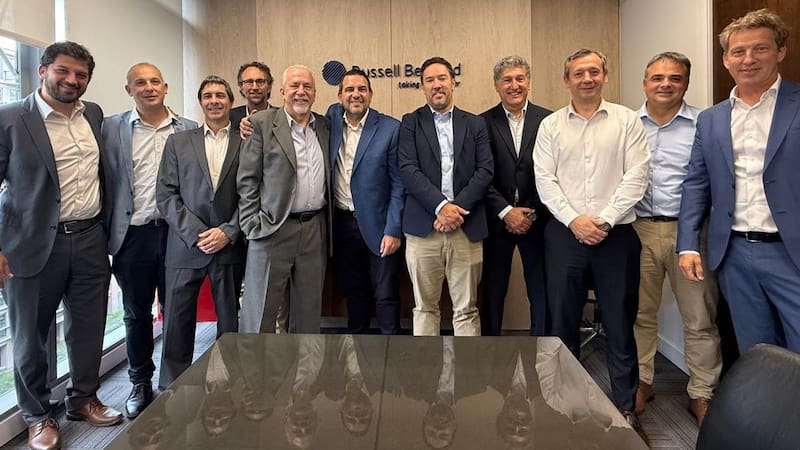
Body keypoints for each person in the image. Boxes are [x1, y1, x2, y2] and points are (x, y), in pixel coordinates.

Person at [0, 41, 123, 450]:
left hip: (89, 239)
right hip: (31, 245)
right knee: (30, 336)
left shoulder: (94, 114)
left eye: (81, 75)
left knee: (88, 326)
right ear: (43, 70)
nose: (72, 80)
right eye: (63, 71)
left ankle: (83, 399)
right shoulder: (10, 118)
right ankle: (37, 416)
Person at [532, 49, 650, 438]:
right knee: (563, 321)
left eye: (594, 71)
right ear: (566, 79)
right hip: (565, 235)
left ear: (605, 76)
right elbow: (544, 180)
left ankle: (625, 406)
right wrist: (575, 220)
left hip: (616, 236)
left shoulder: (627, 121)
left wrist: (603, 219)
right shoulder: (550, 125)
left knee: (619, 321)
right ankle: (566, 404)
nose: (587, 78)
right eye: (579, 73)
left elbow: (637, 175)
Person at [678, 9, 800, 354]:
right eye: (739, 52)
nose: (748, 59)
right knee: (757, 351)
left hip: (791, 250)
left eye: (760, 48)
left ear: (780, 51)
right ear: (726, 60)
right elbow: (696, 183)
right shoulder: (711, 119)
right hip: (734, 253)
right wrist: (687, 244)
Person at [102, 62, 197, 418]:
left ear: (166, 87)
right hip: (133, 235)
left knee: (178, 311)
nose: (149, 87)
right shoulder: (110, 128)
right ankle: (140, 381)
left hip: (177, 234)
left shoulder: (188, 128)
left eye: (155, 81)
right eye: (140, 83)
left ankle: (177, 377)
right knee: (136, 312)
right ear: (129, 90)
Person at [633, 52, 721, 425]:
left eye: (675, 78)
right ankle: (641, 381)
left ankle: (702, 392)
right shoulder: (627, 124)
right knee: (639, 312)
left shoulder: (705, 124)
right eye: (657, 78)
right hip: (637, 229)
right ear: (645, 83)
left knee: (699, 316)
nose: (665, 84)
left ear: (686, 82)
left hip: (691, 233)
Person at [156, 75, 245, 389]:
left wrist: (228, 231)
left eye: (220, 95)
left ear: (230, 102)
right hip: (185, 246)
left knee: (230, 321)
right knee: (177, 321)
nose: (214, 101)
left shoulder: (247, 140)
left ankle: (228, 385)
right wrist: (196, 233)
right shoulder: (178, 142)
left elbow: (254, 194)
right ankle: (172, 387)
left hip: (229, 245)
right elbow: (166, 194)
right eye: (208, 96)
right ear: (201, 102)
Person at [399, 56, 493, 336]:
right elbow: (408, 169)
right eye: (429, 80)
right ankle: (427, 365)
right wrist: (440, 207)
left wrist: (455, 209)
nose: (436, 85)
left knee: (466, 310)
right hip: (423, 229)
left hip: (466, 226)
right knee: (424, 308)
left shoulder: (475, 123)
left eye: (442, 78)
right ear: (422, 87)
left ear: (453, 83)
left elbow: (485, 170)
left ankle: (466, 365)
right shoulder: (410, 123)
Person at [237, 65, 331, 333]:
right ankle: (255, 362)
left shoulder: (324, 125)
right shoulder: (260, 124)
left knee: (308, 313)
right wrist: (252, 224)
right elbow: (247, 180)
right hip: (272, 228)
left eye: (307, 87)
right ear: (281, 92)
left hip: (314, 230)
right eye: (294, 86)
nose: (301, 92)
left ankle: (304, 362)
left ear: (314, 93)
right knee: (260, 314)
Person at [326, 68, 404, 334]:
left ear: (370, 94)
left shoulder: (390, 128)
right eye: (349, 89)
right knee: (353, 292)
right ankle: (358, 351)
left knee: (386, 294)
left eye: (362, 89)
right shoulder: (331, 120)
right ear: (339, 96)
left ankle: (389, 348)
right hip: (341, 224)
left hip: (380, 225)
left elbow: (399, 184)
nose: (356, 94)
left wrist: (393, 229)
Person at [480, 55, 551, 336]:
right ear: (497, 85)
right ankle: (489, 348)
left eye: (520, 78)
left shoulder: (549, 120)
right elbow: (480, 174)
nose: (514, 85)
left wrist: (531, 211)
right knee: (493, 290)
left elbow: (554, 172)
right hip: (496, 220)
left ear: (528, 82)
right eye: (507, 80)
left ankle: (542, 345)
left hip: (538, 218)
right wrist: (506, 211)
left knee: (541, 288)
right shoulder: (482, 122)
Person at [231, 61, 275, 136]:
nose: (255, 87)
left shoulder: (281, 116)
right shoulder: (230, 118)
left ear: (269, 87)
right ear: (241, 87)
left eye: (260, 81)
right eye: (249, 82)